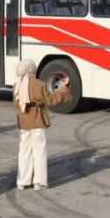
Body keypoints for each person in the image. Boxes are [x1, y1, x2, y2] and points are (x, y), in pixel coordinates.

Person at [13, 59, 71, 191]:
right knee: (39, 152)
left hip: (23, 121)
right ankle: (39, 182)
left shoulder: (16, 85)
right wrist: (64, 88)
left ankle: (22, 181)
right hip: (37, 120)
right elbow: (51, 100)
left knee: (24, 152)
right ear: (32, 70)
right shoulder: (38, 84)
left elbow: (16, 104)